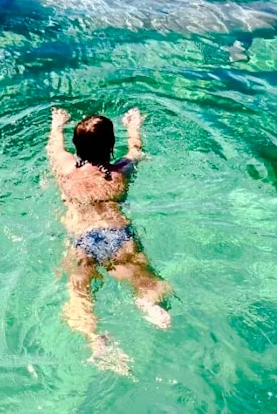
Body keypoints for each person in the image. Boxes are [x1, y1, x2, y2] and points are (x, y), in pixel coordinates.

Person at [47, 107, 172, 374]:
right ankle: (148, 303)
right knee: (145, 280)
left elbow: (54, 148)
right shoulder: (120, 172)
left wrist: (57, 124)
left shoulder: (66, 167)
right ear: (111, 145)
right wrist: (133, 125)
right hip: (116, 234)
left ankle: (96, 341)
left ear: (76, 146)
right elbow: (136, 150)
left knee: (79, 293)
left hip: (81, 237)